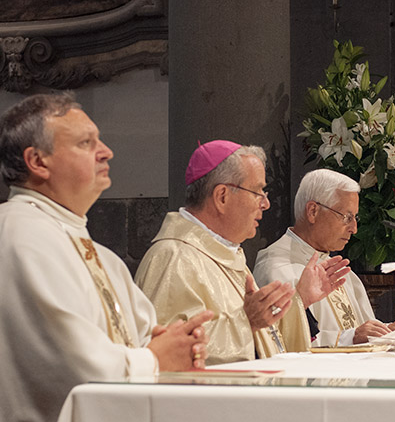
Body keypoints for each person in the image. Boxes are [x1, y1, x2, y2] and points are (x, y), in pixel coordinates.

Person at [0, 93, 212, 422]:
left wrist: (174, 345)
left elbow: (141, 338)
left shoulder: (90, 250)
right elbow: (76, 369)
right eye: (86, 142)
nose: (106, 152)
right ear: (37, 162)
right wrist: (156, 359)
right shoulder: (20, 240)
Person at [135, 141, 350, 365]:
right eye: (257, 191)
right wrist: (246, 322)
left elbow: (263, 342)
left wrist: (300, 300)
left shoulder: (225, 254)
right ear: (222, 197)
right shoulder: (174, 258)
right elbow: (167, 354)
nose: (265, 203)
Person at [254, 169, 395, 349]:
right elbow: (279, 342)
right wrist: (350, 338)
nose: (354, 228)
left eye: (355, 218)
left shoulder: (340, 271)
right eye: (347, 217)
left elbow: (363, 335)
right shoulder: (276, 268)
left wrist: (389, 332)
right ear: (313, 211)